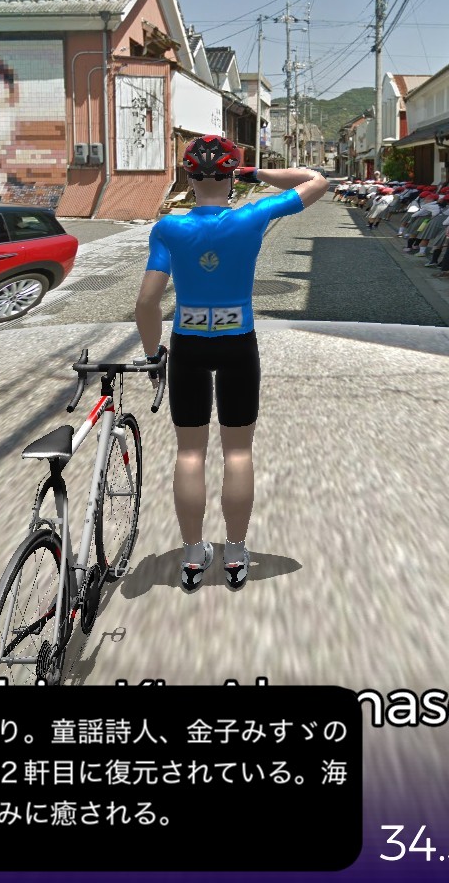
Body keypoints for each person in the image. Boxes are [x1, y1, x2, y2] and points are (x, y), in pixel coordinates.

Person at [134, 135, 327, 593]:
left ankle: (192, 555)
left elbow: (146, 303)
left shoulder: (168, 229)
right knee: (239, 453)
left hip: (188, 344)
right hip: (238, 340)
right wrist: (254, 172)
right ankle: (237, 554)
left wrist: (152, 354)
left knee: (189, 454)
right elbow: (317, 180)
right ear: (231, 176)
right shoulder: (252, 216)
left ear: (188, 177)